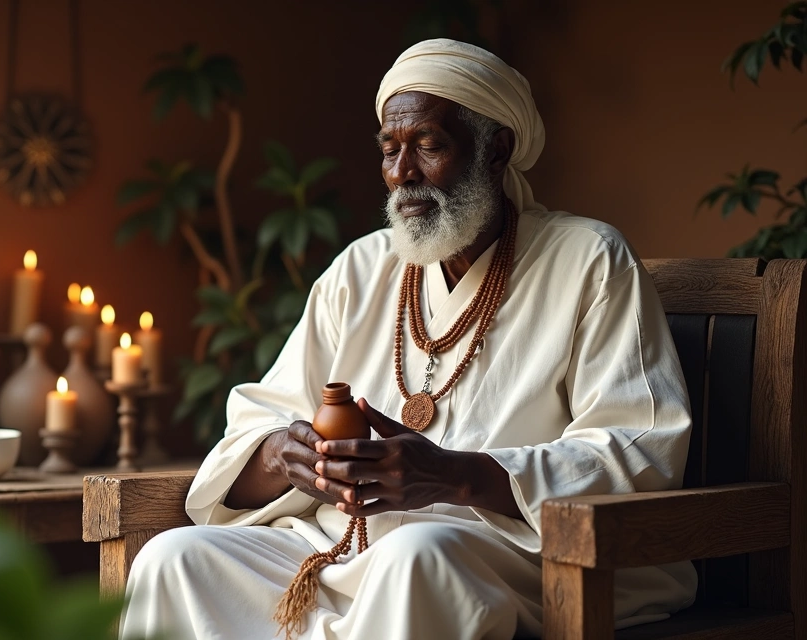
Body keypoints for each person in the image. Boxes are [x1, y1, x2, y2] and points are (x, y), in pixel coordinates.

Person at [120, 38, 696, 640]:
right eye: (390, 150)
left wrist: (455, 476)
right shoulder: (361, 269)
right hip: (341, 547)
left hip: (508, 554)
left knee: (414, 558)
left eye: (429, 146)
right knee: (173, 560)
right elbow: (259, 426)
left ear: (496, 150)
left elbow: (638, 448)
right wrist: (283, 458)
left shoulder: (589, 259)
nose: (403, 175)